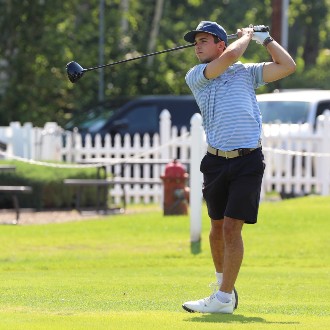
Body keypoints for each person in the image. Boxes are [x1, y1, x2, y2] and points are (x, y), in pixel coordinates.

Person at [182, 21, 296, 314]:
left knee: (233, 228)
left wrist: (266, 39)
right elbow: (231, 57)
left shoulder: (248, 73)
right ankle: (225, 290)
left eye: (203, 40)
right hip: (216, 161)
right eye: (196, 42)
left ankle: (222, 299)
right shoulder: (197, 76)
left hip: (248, 160)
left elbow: (287, 66)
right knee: (216, 229)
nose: (197, 46)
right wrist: (246, 36)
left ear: (221, 42)